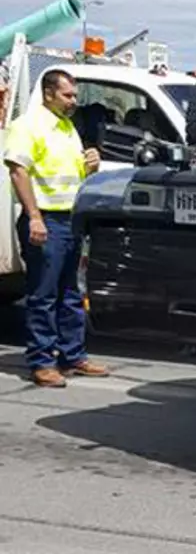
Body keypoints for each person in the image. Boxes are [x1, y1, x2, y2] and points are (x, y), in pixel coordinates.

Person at [3, 69, 110, 387]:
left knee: (71, 293)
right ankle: (42, 361)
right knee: (43, 295)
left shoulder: (67, 128)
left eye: (75, 95)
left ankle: (73, 356)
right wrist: (35, 217)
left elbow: (73, 174)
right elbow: (18, 171)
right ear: (48, 93)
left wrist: (91, 164)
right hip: (46, 221)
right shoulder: (28, 126)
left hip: (70, 220)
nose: (74, 101)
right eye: (68, 95)